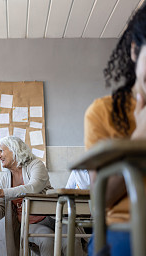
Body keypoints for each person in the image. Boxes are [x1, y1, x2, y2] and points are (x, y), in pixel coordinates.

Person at [85, 3, 146, 256]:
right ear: (135, 50)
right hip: (125, 228)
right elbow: (100, 201)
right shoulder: (104, 112)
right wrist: (141, 136)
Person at [0, 136, 84, 256]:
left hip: (55, 217)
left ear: (14, 149)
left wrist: (2, 192)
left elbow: (33, 187)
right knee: (46, 240)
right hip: (32, 224)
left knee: (70, 240)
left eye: (1, 151)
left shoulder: (36, 164)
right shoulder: (5, 180)